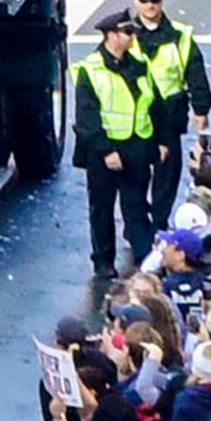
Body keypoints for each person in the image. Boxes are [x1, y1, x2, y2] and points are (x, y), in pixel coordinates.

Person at [71, 16, 158, 284]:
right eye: (127, 31)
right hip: (103, 152)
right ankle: (103, 260)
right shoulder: (91, 69)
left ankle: (145, 259)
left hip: (136, 147)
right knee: (102, 207)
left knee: (136, 205)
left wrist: (158, 143)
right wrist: (106, 150)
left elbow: (152, 105)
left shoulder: (140, 65)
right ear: (110, 35)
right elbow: (87, 117)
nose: (132, 37)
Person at [126, 0, 207, 219]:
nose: (150, 5)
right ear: (135, 1)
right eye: (144, 0)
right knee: (135, 175)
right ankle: (138, 226)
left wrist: (201, 108)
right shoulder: (124, 34)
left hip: (169, 115)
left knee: (167, 175)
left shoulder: (180, 35)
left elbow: (195, 71)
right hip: (136, 116)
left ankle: (159, 222)